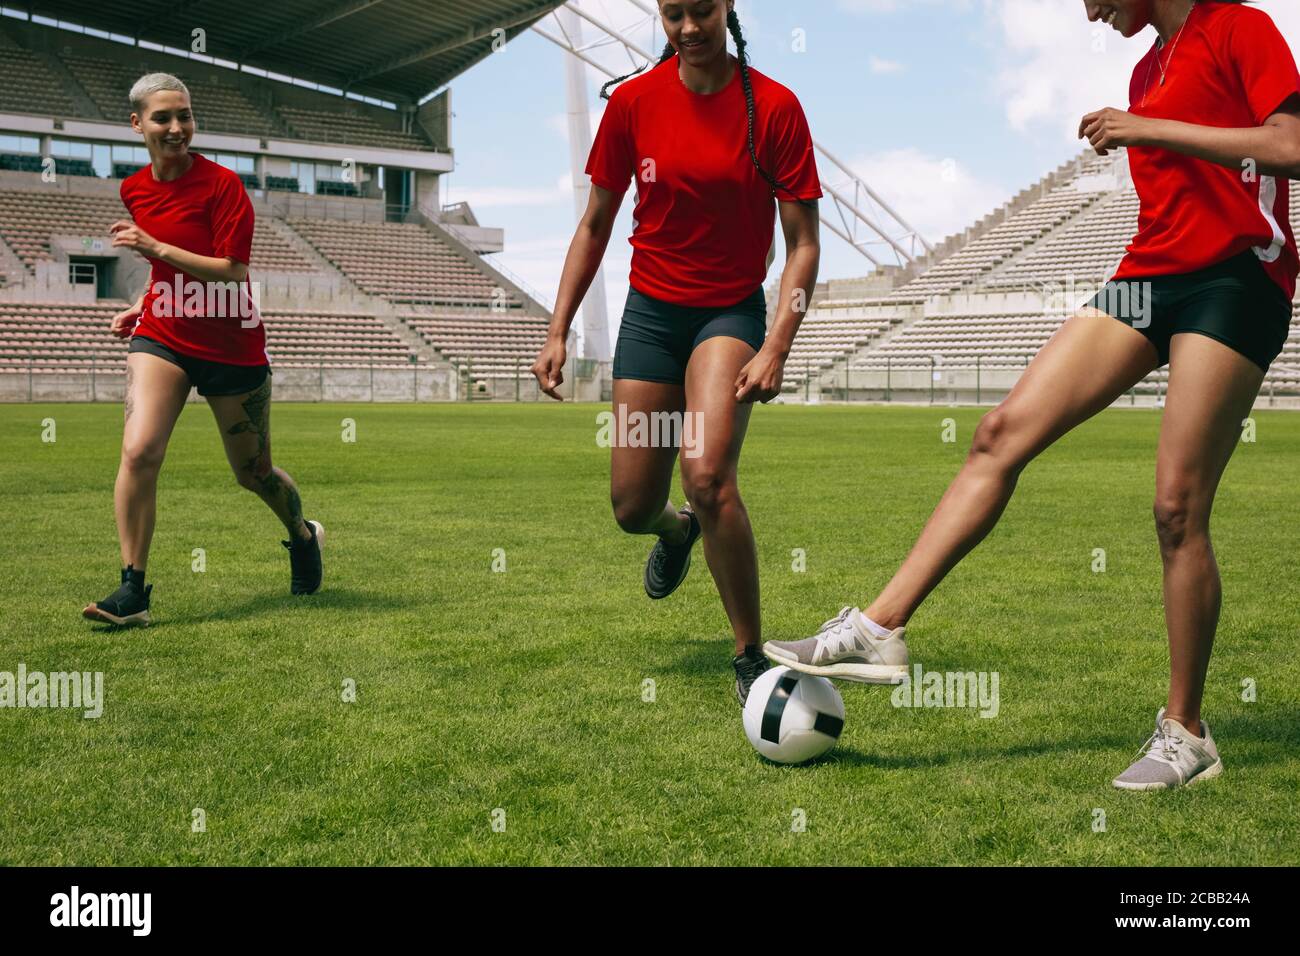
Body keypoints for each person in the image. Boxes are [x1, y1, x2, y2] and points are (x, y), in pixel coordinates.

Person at [765, 0, 1299, 789]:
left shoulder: (1239, 27)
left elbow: (1289, 145)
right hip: (1149, 278)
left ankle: (1187, 734)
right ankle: (880, 627)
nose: (1089, 12)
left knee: (1177, 506)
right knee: (998, 433)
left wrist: (1147, 130)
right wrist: (1143, 127)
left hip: (1237, 278)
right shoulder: (1147, 69)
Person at [531, 0, 822, 704]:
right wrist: (558, 327)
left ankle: (750, 653)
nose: (688, 28)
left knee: (707, 473)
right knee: (633, 506)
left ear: (727, 8)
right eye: (672, 15)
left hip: (729, 313)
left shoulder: (775, 108)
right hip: (652, 317)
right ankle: (677, 531)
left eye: (701, 11)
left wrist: (778, 342)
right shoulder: (632, 104)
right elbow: (595, 223)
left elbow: (803, 244)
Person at [83, 72, 324, 627]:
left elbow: (232, 272)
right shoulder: (134, 188)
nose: (176, 128)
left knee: (254, 474)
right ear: (137, 123)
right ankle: (133, 591)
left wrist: (152, 245)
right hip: (163, 336)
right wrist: (143, 304)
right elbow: (165, 268)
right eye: (163, 117)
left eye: (184, 116)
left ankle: (303, 535)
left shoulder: (222, 185)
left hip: (231, 344)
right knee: (140, 451)